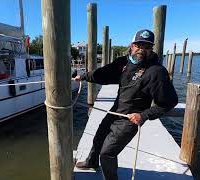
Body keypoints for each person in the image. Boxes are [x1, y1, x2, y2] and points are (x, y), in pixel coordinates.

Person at [74, 29, 178, 180]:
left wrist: (143, 115)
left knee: (107, 153)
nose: (142, 49)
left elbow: (169, 102)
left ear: (152, 49)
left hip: (129, 119)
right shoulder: (123, 62)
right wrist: (83, 76)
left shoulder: (156, 72)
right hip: (116, 111)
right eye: (138, 45)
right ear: (132, 45)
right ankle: (91, 162)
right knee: (98, 138)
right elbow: (104, 73)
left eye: (147, 46)